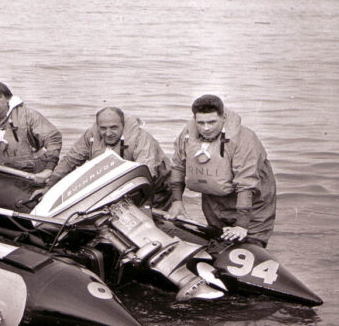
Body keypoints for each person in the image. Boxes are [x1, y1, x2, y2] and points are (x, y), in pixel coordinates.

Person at [165, 95, 276, 247]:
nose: (206, 128)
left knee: (250, 244)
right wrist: (177, 201)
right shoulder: (187, 134)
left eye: (212, 122)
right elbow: (178, 166)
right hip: (215, 197)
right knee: (219, 242)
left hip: (253, 199)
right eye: (201, 123)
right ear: (194, 119)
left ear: (223, 117)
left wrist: (242, 225)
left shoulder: (245, 139)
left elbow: (246, 184)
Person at [43, 107, 172, 210]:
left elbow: (147, 173)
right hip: (119, 182)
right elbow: (69, 160)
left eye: (114, 128)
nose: (108, 133)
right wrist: (49, 188)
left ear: (123, 125)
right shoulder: (91, 134)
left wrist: (144, 205)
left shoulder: (141, 138)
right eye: (103, 128)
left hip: (156, 188)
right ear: (98, 126)